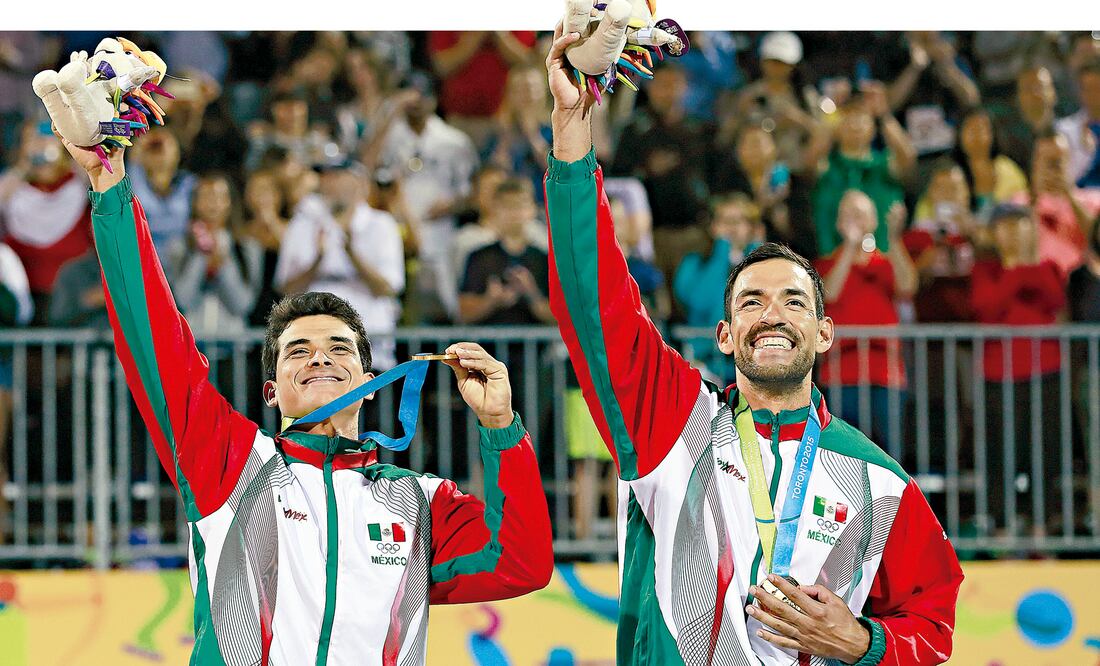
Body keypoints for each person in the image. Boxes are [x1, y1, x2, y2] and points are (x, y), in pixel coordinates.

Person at [544, 26, 962, 665]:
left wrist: (863, 640)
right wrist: (574, 137)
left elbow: (932, 626)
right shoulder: (674, 424)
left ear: (824, 332)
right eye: (750, 302)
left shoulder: (878, 480)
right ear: (724, 335)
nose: (772, 314)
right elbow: (595, 304)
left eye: (794, 301)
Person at [59, 134, 552, 664]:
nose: (319, 358)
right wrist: (110, 188)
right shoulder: (232, 465)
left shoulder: (419, 502)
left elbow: (519, 563)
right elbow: (155, 340)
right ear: (271, 392)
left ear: (368, 380)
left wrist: (500, 426)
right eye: (298, 351)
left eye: (339, 348)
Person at [970, 203, 1067, 537]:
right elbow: (987, 307)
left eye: (1019, 225)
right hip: (999, 375)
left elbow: (1054, 298)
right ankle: (1002, 528)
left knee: (1046, 452)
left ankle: (1042, 528)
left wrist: (1025, 267)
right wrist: (1014, 270)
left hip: (1045, 372)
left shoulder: (1048, 268)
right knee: (1000, 455)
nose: (1013, 233)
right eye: (1005, 226)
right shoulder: (985, 271)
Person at [274, 161, 405, 370]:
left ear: (359, 182)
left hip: (370, 350)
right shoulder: (302, 223)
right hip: (314, 352)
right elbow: (286, 288)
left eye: (337, 175)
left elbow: (388, 288)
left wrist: (352, 253)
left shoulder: (381, 224)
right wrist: (317, 260)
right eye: (325, 176)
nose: (329, 182)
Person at [815, 192, 916, 447]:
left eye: (860, 215)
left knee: (889, 453)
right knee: (843, 453)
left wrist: (894, 238)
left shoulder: (887, 263)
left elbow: (908, 286)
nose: (855, 221)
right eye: (848, 215)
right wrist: (850, 248)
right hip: (841, 374)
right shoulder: (826, 264)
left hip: (886, 373)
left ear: (873, 221)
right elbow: (829, 293)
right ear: (839, 224)